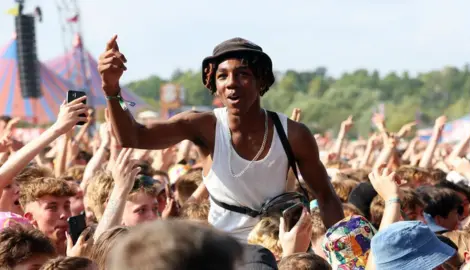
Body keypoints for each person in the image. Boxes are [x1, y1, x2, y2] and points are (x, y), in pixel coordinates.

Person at [98, 35, 343, 240]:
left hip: (278, 250)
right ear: (214, 84)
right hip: (222, 254)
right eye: (222, 76)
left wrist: (338, 252)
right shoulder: (203, 126)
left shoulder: (294, 134)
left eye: (243, 74)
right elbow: (134, 136)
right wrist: (112, 90)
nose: (232, 84)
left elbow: (326, 196)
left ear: (261, 81)